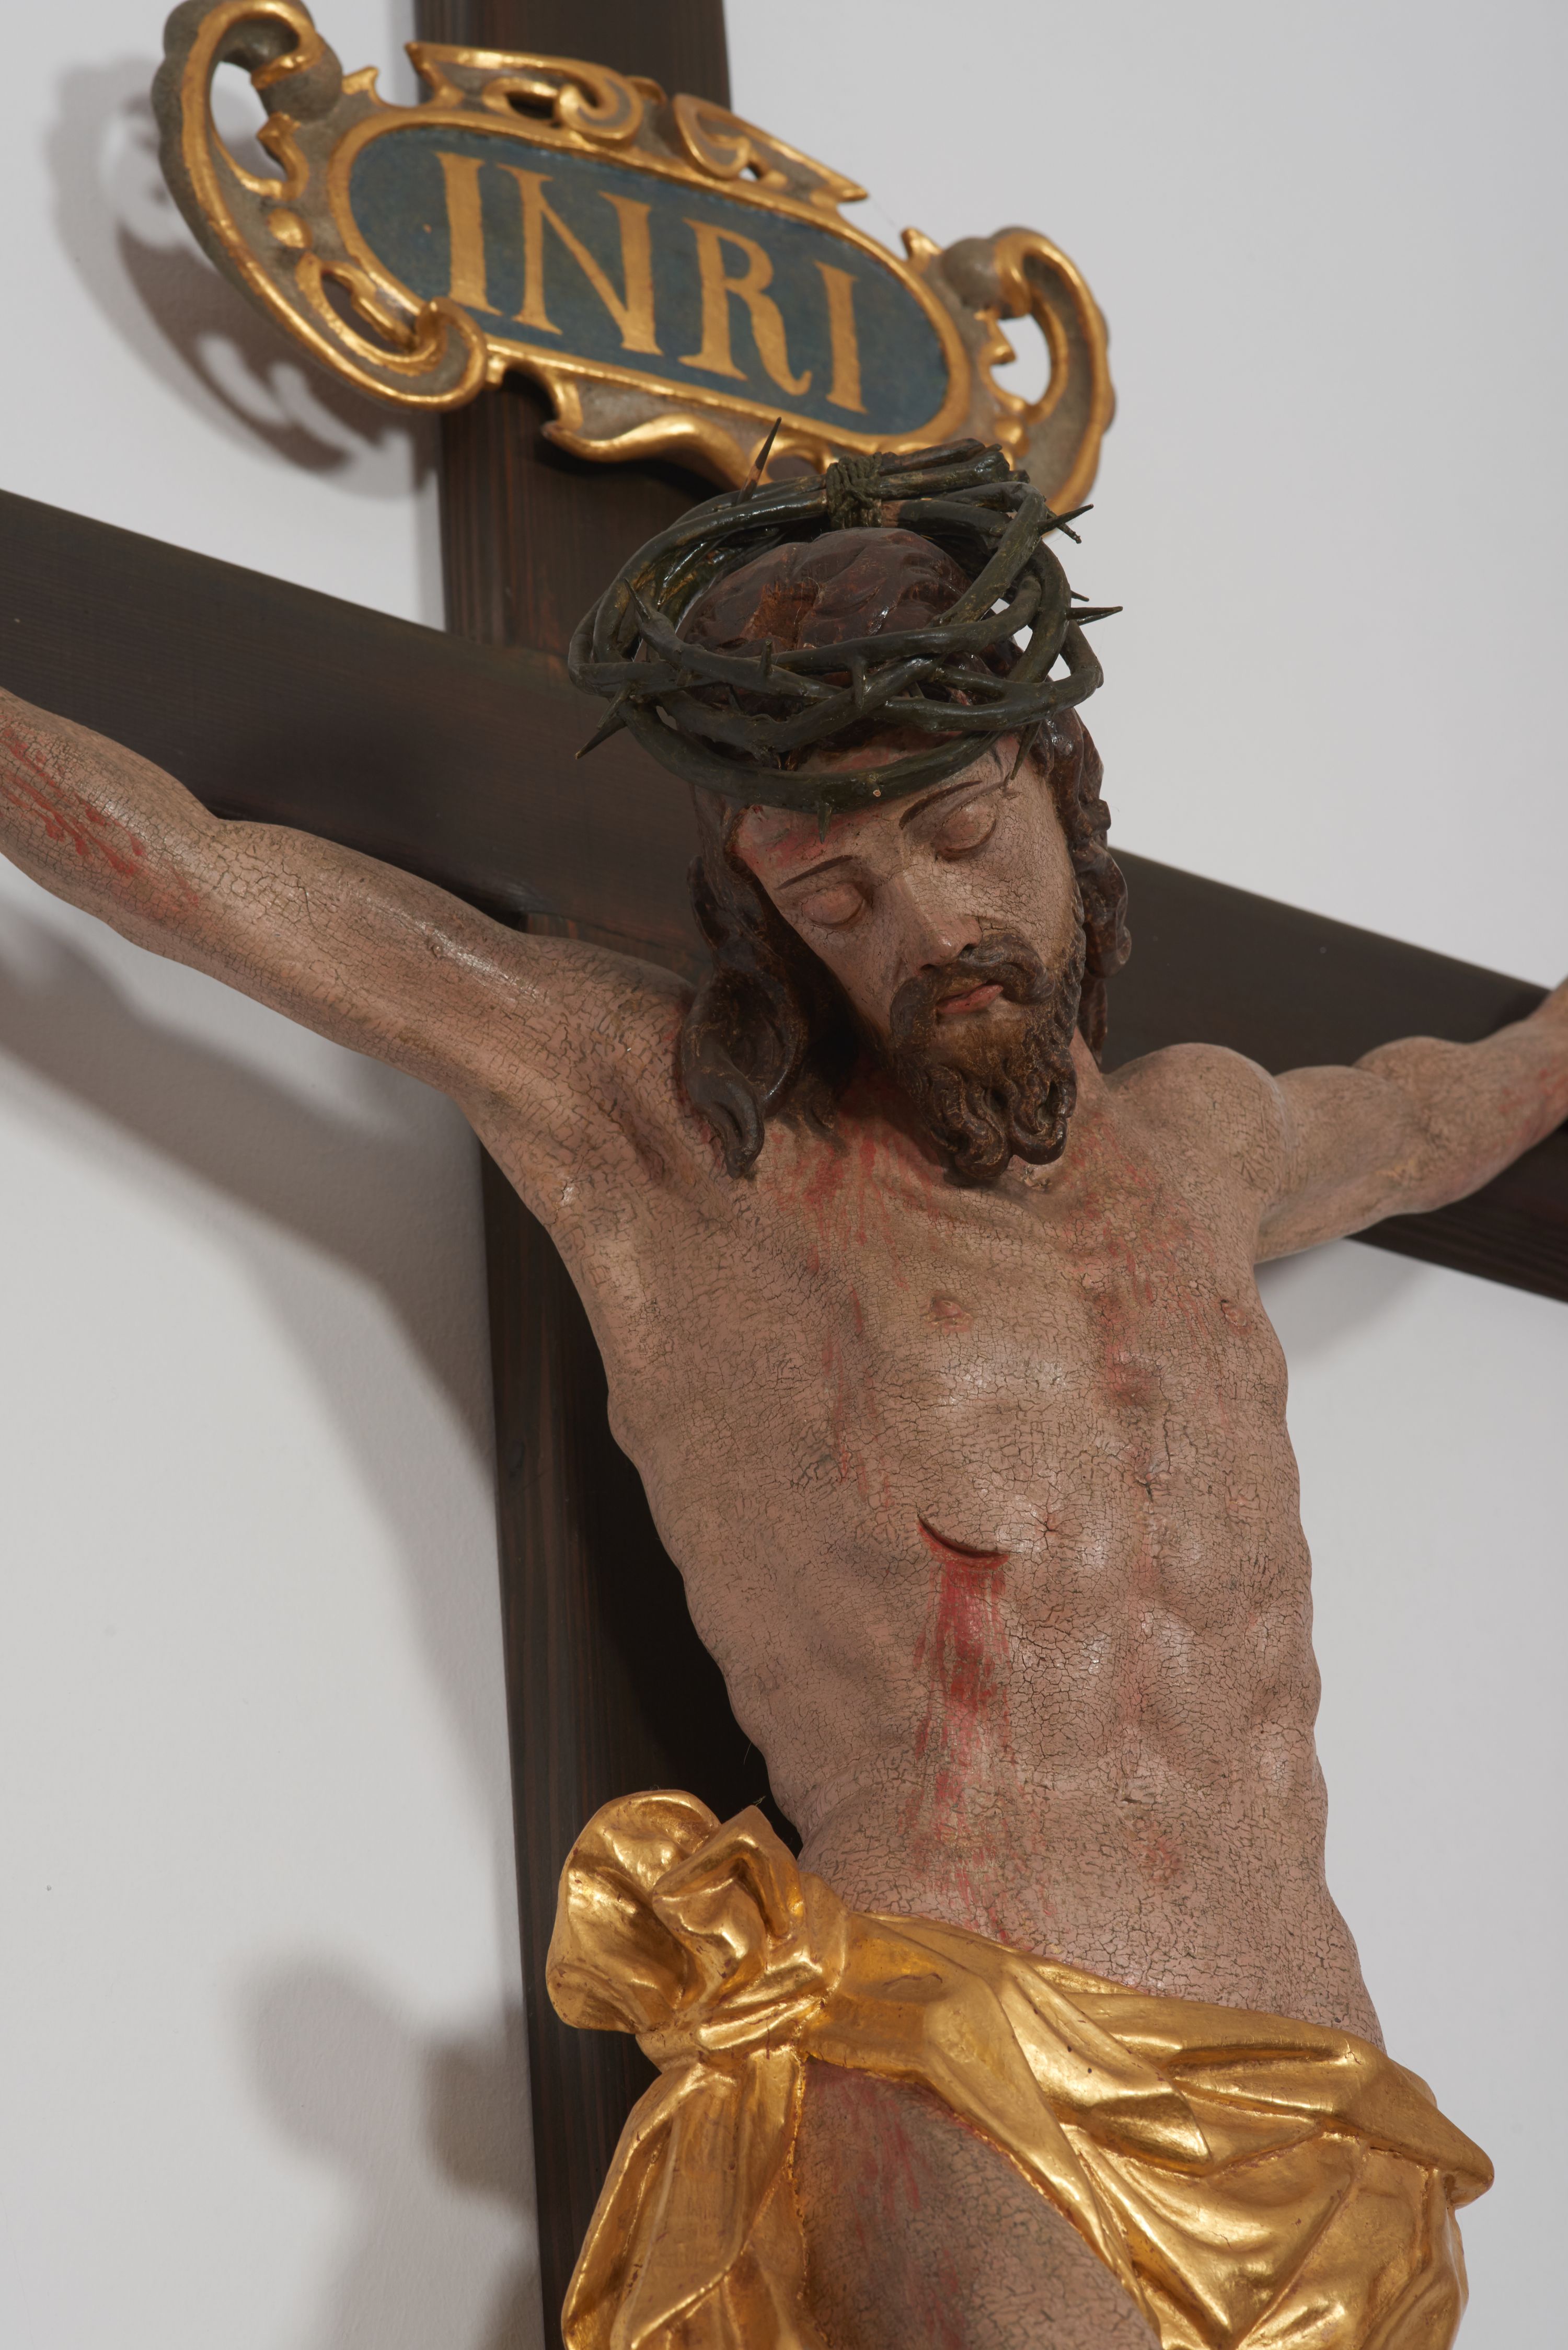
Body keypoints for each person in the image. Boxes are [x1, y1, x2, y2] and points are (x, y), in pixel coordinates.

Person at [0, 444, 1560, 2350]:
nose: (922, 933)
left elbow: (1436, 1111)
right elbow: (212, 882)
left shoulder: (1208, 1142)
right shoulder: (689, 1145)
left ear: (1060, 786)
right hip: (981, 2079)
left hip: (1344, 2123)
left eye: (963, 833)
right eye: (832, 892)